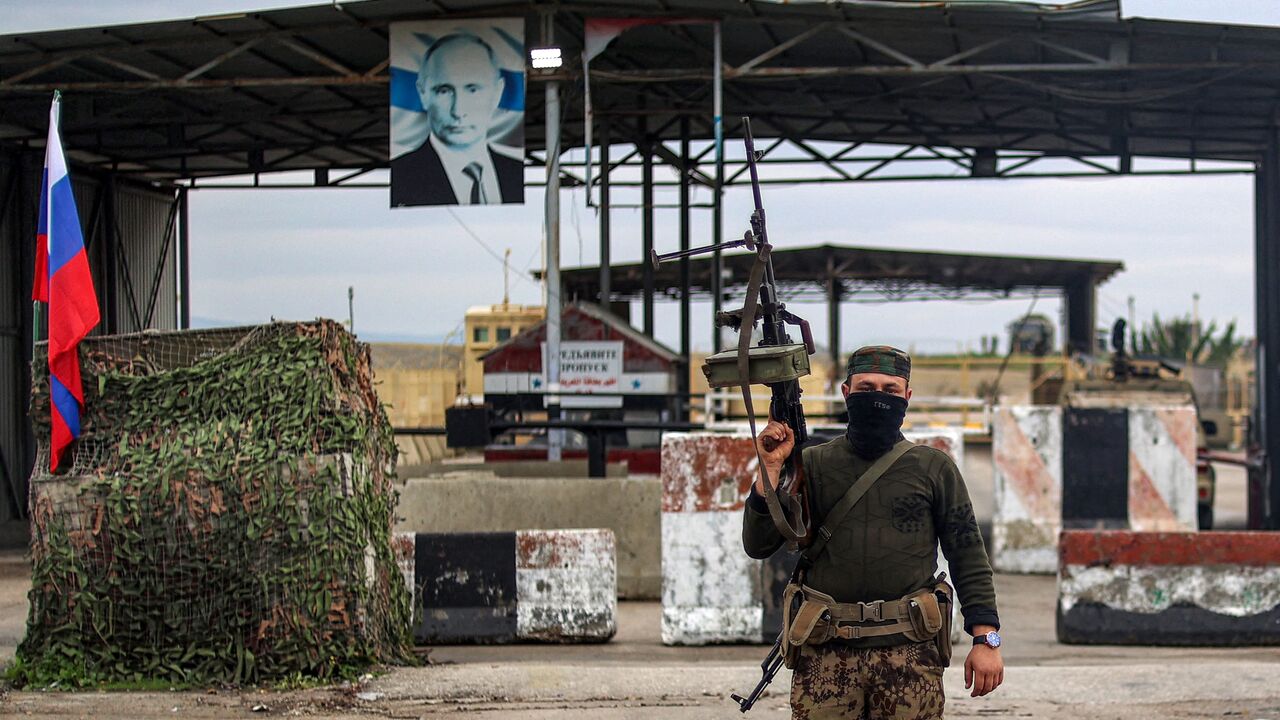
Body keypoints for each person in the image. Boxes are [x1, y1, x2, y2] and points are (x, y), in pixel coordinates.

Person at [743, 346, 1003, 719]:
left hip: (909, 656)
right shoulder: (812, 464)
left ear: (907, 397)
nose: (878, 396)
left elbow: (968, 556)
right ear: (846, 392)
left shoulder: (933, 469)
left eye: (890, 389)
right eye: (866, 387)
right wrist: (769, 468)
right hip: (825, 655)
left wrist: (986, 638)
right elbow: (758, 543)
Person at [391, 33, 523, 206]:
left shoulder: (514, 172)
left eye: (473, 90)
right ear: (423, 94)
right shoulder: (401, 177)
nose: (458, 111)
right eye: (444, 91)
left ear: (498, 93)